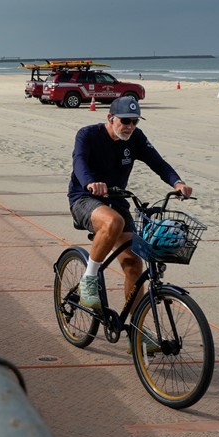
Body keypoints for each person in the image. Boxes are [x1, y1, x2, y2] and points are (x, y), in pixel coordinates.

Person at [67, 95, 191, 311]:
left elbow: (158, 163)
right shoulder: (87, 135)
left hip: (116, 200)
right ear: (110, 118)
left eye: (135, 121)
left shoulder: (136, 138)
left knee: (134, 264)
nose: (130, 126)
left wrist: (177, 183)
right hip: (84, 198)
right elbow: (79, 162)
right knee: (113, 222)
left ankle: (136, 331)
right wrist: (90, 183)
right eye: (125, 121)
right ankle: (88, 279)